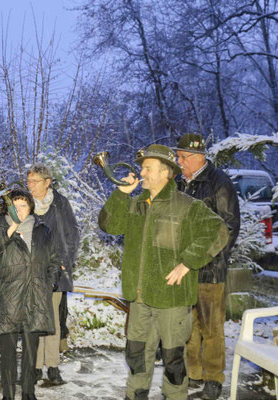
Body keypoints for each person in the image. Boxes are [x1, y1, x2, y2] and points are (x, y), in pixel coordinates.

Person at [98, 144, 229, 400]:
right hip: (139, 297)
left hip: (172, 298)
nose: (142, 172)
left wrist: (188, 262)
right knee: (136, 354)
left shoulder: (187, 206)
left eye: (148, 168)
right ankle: (135, 394)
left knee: (173, 359)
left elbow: (219, 230)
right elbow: (108, 224)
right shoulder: (136, 203)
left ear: (166, 172)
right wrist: (122, 194)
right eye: (142, 168)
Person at [175, 133, 241, 400]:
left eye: (181, 157)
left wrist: (203, 259)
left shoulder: (219, 183)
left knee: (211, 327)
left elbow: (228, 228)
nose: (178, 162)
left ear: (197, 157)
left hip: (209, 269)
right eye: (178, 157)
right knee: (188, 325)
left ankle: (214, 378)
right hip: (183, 268)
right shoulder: (181, 183)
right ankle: (194, 372)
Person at [0, 189, 60, 400]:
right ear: (7, 208)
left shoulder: (42, 230)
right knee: (7, 354)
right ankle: (8, 395)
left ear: (30, 208)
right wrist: (12, 228)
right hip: (8, 298)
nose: (19, 210)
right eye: (15, 206)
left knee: (31, 352)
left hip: (35, 297)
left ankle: (29, 392)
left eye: (23, 206)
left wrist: (50, 281)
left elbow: (54, 258)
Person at [26, 163, 79, 384]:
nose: (30, 186)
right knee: (34, 321)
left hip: (56, 270)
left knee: (53, 321)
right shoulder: (24, 203)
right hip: (30, 272)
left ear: (47, 182)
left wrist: (64, 263)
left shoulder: (60, 203)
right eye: (28, 181)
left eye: (35, 182)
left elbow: (72, 234)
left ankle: (53, 367)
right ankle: (35, 366)